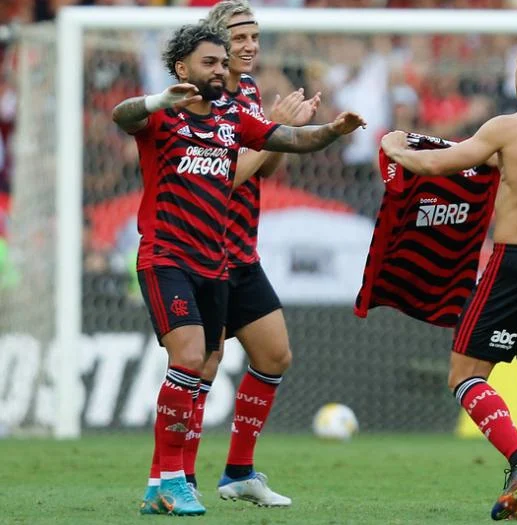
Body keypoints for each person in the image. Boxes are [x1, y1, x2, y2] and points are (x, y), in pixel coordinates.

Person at [111, 21, 365, 516]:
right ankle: (170, 480)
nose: (221, 70)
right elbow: (122, 115)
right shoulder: (163, 118)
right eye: (211, 62)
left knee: (212, 363)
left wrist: (333, 130)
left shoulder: (233, 115)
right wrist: (160, 100)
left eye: (222, 63)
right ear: (182, 68)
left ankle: (169, 486)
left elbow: (286, 140)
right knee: (187, 361)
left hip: (217, 262)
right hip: (166, 257)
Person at [380, 30, 517, 522]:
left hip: (514, 263)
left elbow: (436, 164)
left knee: (464, 375)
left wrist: (395, 146)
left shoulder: (507, 127)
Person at [141, 0, 322, 508]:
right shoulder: (197, 99)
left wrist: (284, 132)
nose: (249, 47)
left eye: (254, 38)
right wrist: (274, 133)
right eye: (239, 38)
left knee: (274, 354)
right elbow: (223, 175)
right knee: (204, 363)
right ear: (214, 45)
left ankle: (239, 471)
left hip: (242, 249)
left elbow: (265, 170)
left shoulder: (252, 94)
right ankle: (175, 478)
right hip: (202, 251)